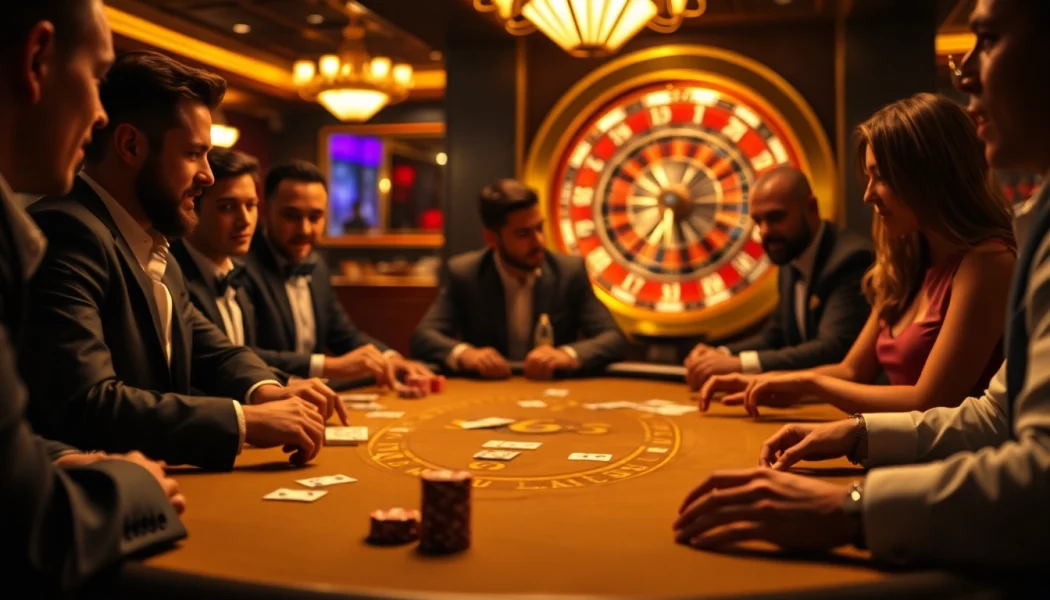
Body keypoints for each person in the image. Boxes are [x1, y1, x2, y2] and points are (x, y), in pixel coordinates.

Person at [675, 0, 1050, 566]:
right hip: (925, 475)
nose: (965, 69)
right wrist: (855, 432)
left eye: (990, 38)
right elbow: (995, 414)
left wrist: (847, 495)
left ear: (923, 176)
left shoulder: (992, 259)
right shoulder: (911, 258)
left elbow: (944, 409)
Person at [22, 51, 327, 472]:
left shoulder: (153, 241)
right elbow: (87, 401)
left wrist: (262, 389)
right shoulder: (67, 232)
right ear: (130, 145)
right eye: (193, 154)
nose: (207, 175)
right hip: (89, 502)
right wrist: (243, 421)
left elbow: (211, 348)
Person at [0, 1, 186, 591]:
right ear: (36, 59)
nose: (101, 115)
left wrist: (53, 457)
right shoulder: (67, 231)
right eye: (98, 78)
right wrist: (134, 484)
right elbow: (31, 532)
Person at [699, 93, 1015, 418]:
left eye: (881, 176)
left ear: (928, 173)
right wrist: (756, 379)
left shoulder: (988, 262)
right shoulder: (906, 263)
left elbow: (930, 402)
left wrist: (809, 384)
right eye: (868, 177)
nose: (867, 196)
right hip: (900, 450)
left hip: (957, 464)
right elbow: (851, 371)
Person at [171, 148, 348, 424]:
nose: (245, 221)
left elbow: (239, 360)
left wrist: (283, 384)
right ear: (193, 206)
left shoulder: (238, 274)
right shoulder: (171, 277)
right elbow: (196, 377)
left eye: (251, 205)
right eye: (227, 207)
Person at [411, 179, 629, 379]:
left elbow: (614, 338)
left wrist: (567, 355)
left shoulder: (569, 272)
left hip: (554, 393)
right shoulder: (465, 274)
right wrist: (466, 354)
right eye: (523, 234)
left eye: (539, 228)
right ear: (492, 239)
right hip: (488, 395)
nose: (539, 242)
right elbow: (423, 337)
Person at [245, 160, 433, 389]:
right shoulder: (241, 268)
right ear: (266, 211)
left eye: (315, 217)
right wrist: (326, 365)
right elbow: (243, 354)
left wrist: (390, 357)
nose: (305, 229)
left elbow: (343, 334)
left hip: (313, 401)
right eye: (292, 216)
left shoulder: (317, 265)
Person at [685, 167, 873, 389]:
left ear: (811, 208)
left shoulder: (850, 259)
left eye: (775, 217)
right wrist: (719, 354)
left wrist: (739, 364)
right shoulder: (790, 253)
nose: (764, 231)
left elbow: (833, 349)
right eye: (758, 221)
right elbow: (775, 336)